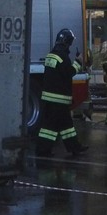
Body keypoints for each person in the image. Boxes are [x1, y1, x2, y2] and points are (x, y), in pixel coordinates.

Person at [35, 28, 87, 158]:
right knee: (52, 127)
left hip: (50, 99)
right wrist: (78, 62)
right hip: (59, 100)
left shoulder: (51, 55)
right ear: (67, 41)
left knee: (63, 126)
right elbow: (69, 73)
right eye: (70, 42)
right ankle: (43, 150)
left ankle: (74, 147)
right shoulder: (63, 57)